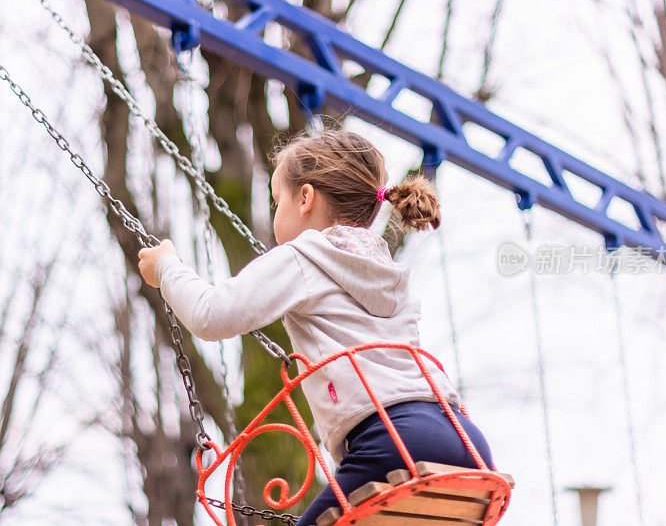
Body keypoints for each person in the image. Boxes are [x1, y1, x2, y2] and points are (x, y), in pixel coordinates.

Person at [137, 129, 495, 525]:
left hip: (390, 441)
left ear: (305, 198)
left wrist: (167, 266)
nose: (276, 212)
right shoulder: (387, 270)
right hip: (464, 439)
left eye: (277, 201)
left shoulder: (305, 256)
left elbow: (211, 315)